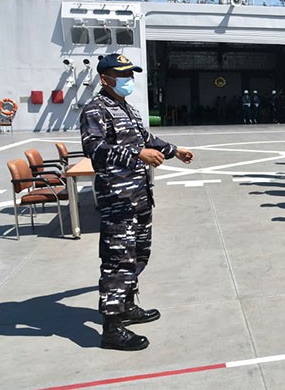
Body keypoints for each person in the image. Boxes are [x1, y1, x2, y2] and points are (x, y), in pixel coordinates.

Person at [80, 54, 194, 351]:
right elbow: (95, 150)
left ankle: (127, 306)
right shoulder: (95, 110)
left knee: (138, 256)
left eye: (130, 74)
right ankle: (112, 327)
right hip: (118, 198)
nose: (128, 79)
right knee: (117, 262)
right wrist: (136, 156)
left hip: (139, 197)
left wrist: (175, 151)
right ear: (105, 78)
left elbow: (145, 138)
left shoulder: (126, 108)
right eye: (123, 74)